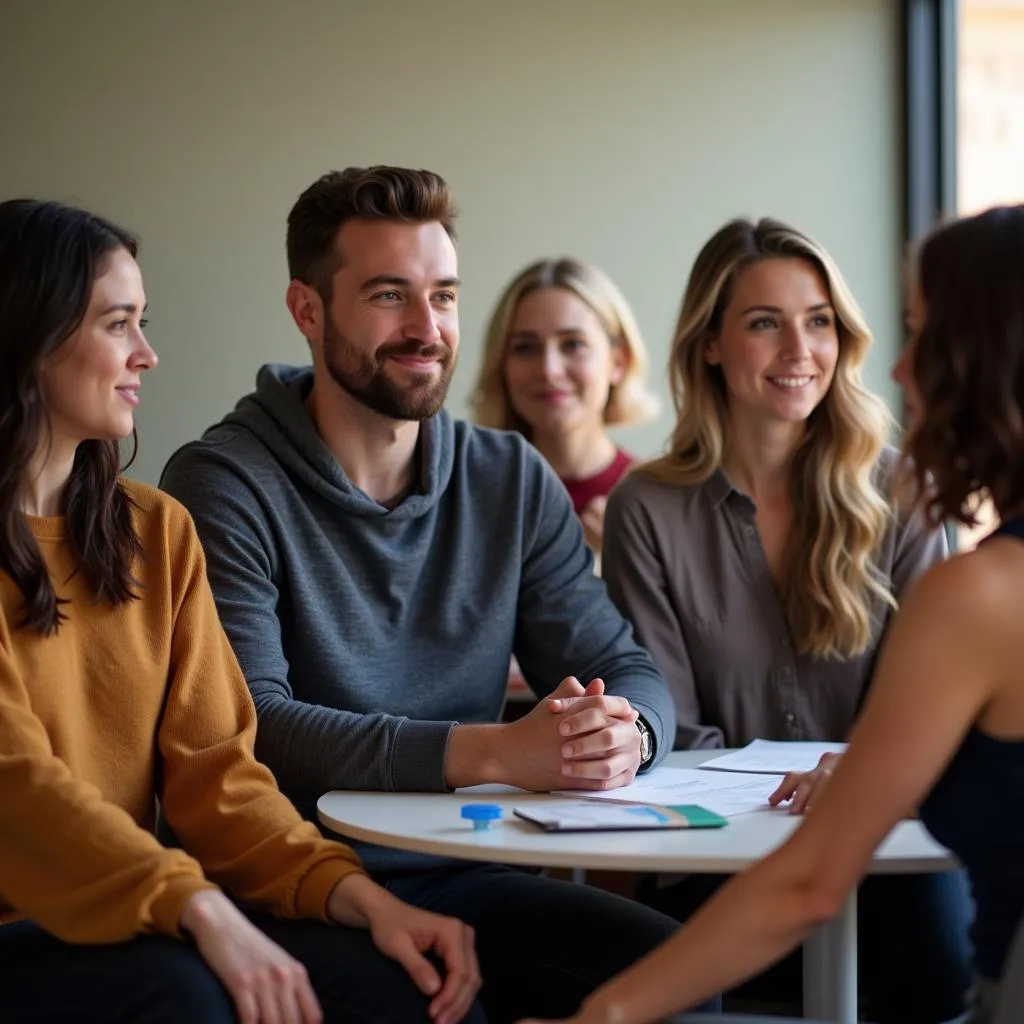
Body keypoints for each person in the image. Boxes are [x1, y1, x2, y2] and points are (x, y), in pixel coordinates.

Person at [159, 166, 701, 1024]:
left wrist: (624, 733)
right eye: (388, 296)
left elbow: (619, 663)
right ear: (307, 310)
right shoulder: (224, 481)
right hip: (295, 880)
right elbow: (254, 724)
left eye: (443, 296)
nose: (427, 329)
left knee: (675, 983)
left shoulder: (509, 478)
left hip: (469, 870)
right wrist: (495, 754)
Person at [523, 204, 1024, 1024]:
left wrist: (602, 1018)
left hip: (889, 880)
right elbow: (671, 725)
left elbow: (808, 881)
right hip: (716, 853)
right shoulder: (653, 503)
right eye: (766, 324)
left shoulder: (970, 583)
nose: (894, 372)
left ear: (984, 360)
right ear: (711, 343)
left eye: (922, 338)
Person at [0, 198, 484, 1024]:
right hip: (42, 927)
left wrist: (360, 898)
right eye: (119, 325)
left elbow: (219, 779)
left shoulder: (156, 532)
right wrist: (198, 907)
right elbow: (19, 788)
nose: (147, 355)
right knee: (189, 996)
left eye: (142, 322)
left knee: (404, 982)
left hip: (142, 910)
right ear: (29, 339)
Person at [473, 257, 657, 556]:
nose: (549, 370)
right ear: (501, 366)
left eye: (573, 344)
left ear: (618, 362)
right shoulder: (470, 500)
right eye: (525, 347)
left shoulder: (660, 499)